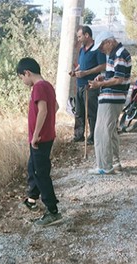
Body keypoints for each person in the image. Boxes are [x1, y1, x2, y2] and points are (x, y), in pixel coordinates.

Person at [16, 57, 62, 226]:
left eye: (22, 77)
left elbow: (43, 110)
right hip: (46, 136)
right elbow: (55, 107)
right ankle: (32, 199)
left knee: (41, 173)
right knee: (33, 168)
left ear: (27, 73)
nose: (23, 81)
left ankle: (53, 211)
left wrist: (36, 134)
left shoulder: (38, 87)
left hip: (40, 139)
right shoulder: (48, 85)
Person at [87, 31, 131, 175]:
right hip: (113, 97)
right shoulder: (116, 54)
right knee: (110, 131)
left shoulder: (119, 55)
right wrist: (103, 77)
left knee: (102, 132)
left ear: (109, 42)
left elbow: (118, 79)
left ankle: (105, 166)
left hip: (112, 97)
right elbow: (115, 75)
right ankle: (115, 162)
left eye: (101, 47)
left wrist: (100, 84)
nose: (101, 50)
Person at [69, 25, 107, 145]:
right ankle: (78, 135)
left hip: (91, 86)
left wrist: (86, 73)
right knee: (79, 112)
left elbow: (103, 66)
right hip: (79, 85)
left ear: (87, 35)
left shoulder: (97, 49)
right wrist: (75, 72)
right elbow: (81, 64)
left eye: (80, 36)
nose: (78, 39)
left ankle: (93, 137)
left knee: (91, 112)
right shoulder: (82, 49)